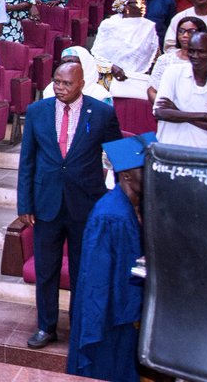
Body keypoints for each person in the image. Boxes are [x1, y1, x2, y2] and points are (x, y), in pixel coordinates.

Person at [17, 60, 122, 350]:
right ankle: (46, 326)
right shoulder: (37, 111)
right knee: (46, 269)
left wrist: (122, 200)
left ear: (82, 84)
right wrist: (24, 204)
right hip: (46, 205)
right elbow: (27, 161)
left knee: (82, 270)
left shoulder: (102, 113)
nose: (60, 88)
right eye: (57, 82)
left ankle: (79, 326)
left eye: (67, 84)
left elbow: (118, 159)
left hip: (85, 205)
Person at [67, 133, 155, 382]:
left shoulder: (140, 206)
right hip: (109, 316)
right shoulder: (109, 216)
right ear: (125, 175)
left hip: (129, 311)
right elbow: (97, 280)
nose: (152, 175)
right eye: (145, 169)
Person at [154, 31, 207, 149]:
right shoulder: (173, 72)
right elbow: (160, 113)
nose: (195, 56)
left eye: (201, 52)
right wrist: (205, 116)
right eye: (191, 51)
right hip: (169, 149)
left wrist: (178, 111)